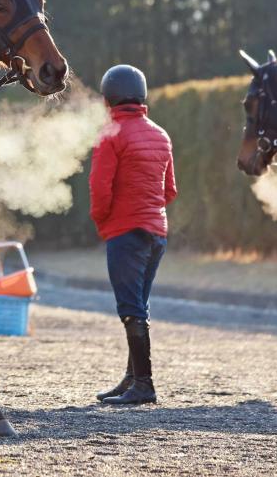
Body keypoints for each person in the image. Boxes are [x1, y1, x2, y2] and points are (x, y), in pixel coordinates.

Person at [89, 64, 177, 405]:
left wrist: (103, 222)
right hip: (157, 233)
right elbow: (170, 190)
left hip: (126, 232)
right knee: (139, 306)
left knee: (131, 309)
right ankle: (132, 379)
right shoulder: (161, 134)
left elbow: (100, 189)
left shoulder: (110, 134)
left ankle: (144, 385)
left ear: (108, 97)